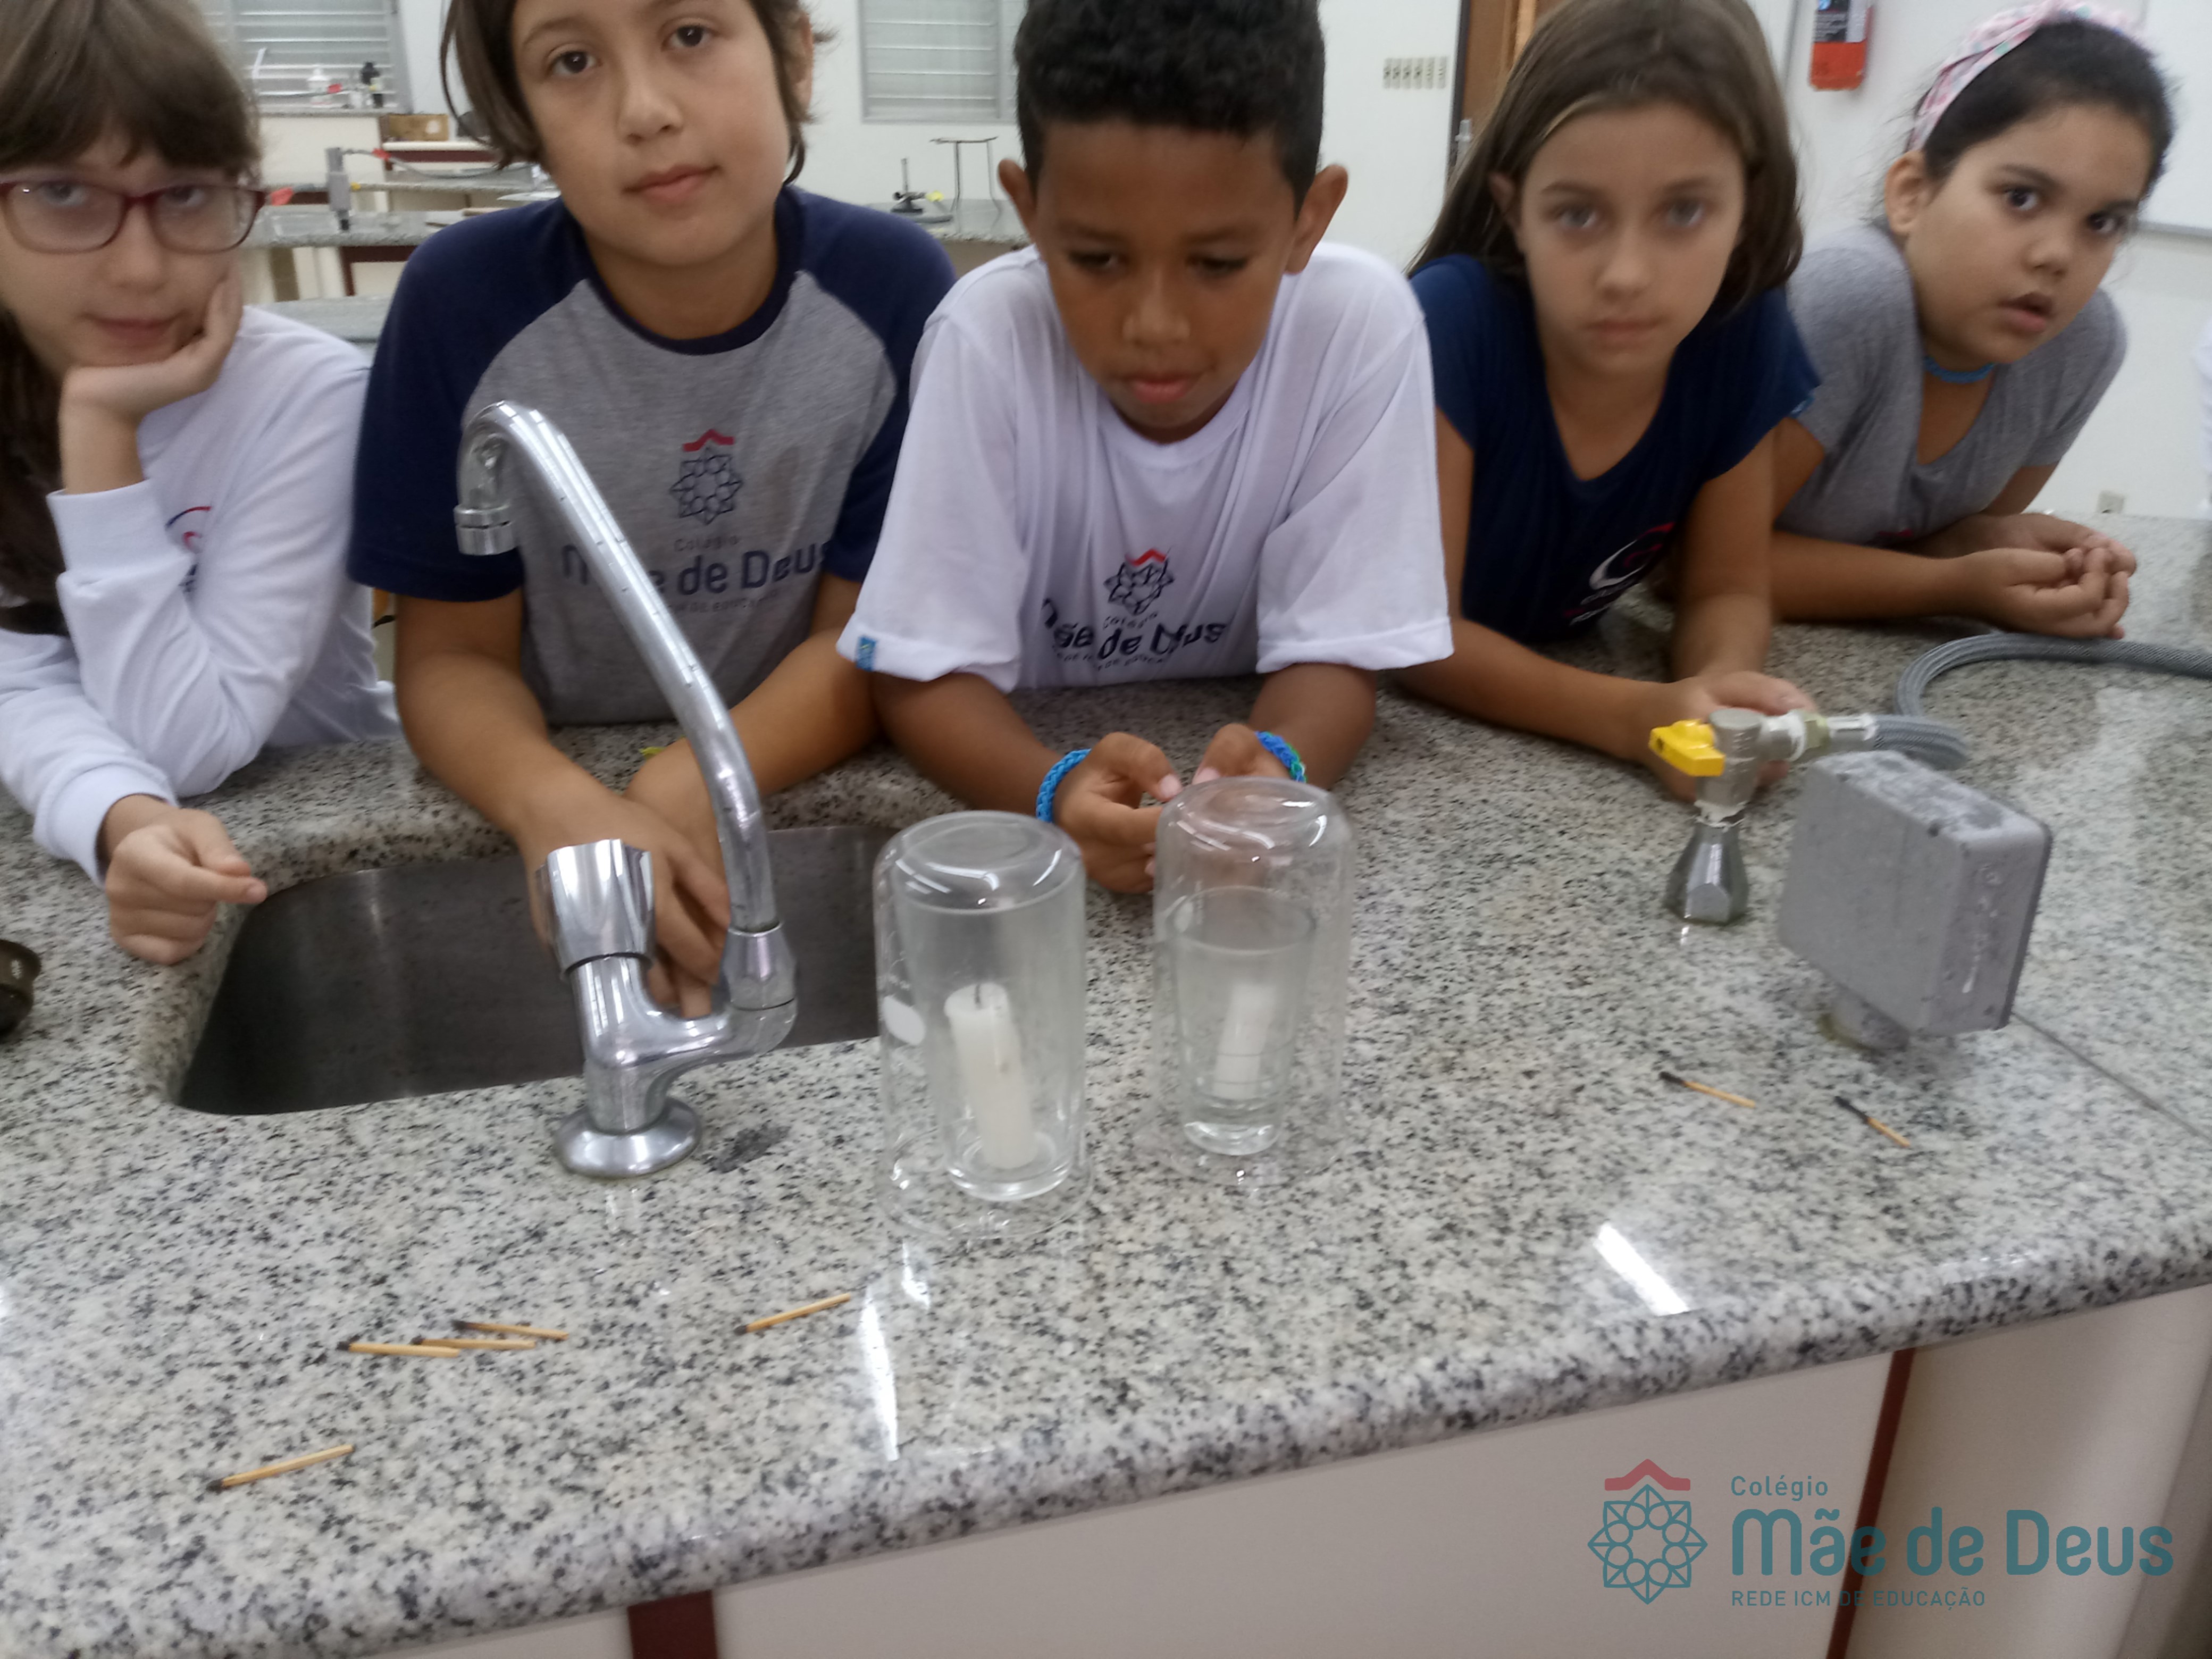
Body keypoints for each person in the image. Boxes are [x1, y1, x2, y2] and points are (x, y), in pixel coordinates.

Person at [349, 0, 952, 1003]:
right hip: (550, 780)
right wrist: (553, 803)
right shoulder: (460, 304)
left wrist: (688, 782)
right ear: (525, 115)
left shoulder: (892, 289)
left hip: (791, 775)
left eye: (690, 35)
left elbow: (864, 642)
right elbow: (453, 659)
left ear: (793, 55)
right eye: (572, 61)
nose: (645, 110)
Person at [841, 0, 1453, 893]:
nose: (1155, 326)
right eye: (1097, 259)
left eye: (1217, 265)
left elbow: (1338, 647)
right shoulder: (986, 339)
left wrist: (1278, 772)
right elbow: (920, 672)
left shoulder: (1359, 330)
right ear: (1029, 211)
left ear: (1308, 219)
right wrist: (1052, 791)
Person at [0, 0, 396, 965]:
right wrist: (119, 814)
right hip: (139, 860)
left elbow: (189, 744)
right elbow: (16, 683)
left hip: (342, 847)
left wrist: (101, 431)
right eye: (64, 192)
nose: (141, 269)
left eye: (185, 196)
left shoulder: (303, 395)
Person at [1399, 0, 1816, 790]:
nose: (1626, 274)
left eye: (1683, 212)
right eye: (1577, 214)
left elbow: (1726, 587)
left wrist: (1720, 694)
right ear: (1513, 210)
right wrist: (1634, 719)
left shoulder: (1744, 328)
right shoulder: (1450, 323)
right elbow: (1419, 638)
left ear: (1747, 210)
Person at [1773, 5, 2173, 637]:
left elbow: (1922, 548)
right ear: (1912, 193)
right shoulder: (1850, 294)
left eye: (2101, 222)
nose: (2056, 255)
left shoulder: (2079, 343)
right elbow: (1693, 567)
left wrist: (1979, 543)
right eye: (2020, 197)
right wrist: (1956, 584)